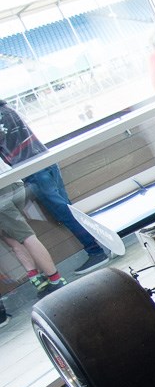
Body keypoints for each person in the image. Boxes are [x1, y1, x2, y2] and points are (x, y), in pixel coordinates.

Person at [0, 98, 109, 274]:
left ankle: (96, 251)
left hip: (32, 169)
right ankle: (104, 244)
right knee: (69, 209)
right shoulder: (7, 109)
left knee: (65, 213)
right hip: (46, 159)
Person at [0, 181, 67, 296]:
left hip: (2, 195)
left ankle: (56, 280)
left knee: (26, 237)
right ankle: (37, 278)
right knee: (15, 236)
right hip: (16, 185)